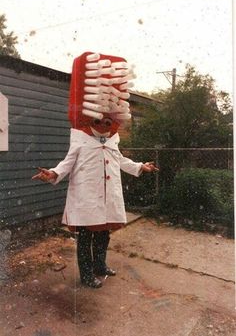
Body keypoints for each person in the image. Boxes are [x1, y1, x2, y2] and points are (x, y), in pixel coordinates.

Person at [32, 52, 158, 288]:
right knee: (85, 238)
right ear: (91, 118)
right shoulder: (80, 138)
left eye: (109, 122)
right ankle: (87, 274)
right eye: (99, 121)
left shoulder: (113, 140)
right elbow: (66, 164)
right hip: (86, 199)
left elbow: (120, 160)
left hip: (108, 197)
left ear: (114, 121)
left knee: (104, 234)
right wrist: (52, 174)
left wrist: (141, 167)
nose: (104, 125)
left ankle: (101, 266)